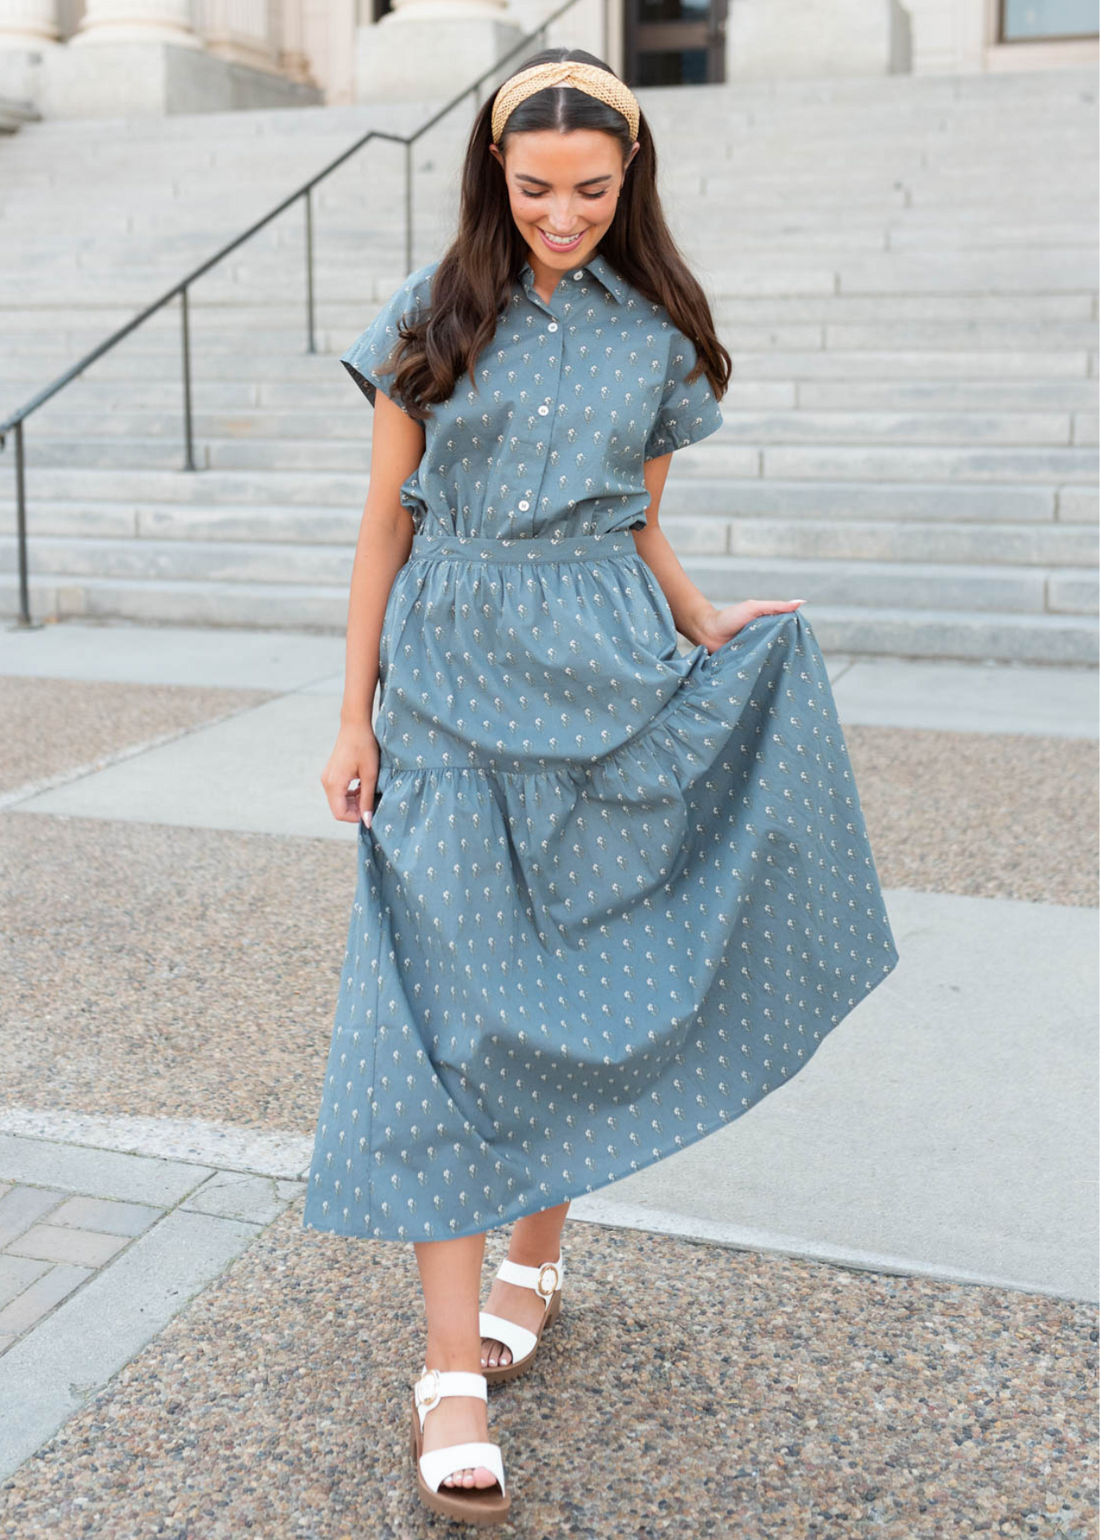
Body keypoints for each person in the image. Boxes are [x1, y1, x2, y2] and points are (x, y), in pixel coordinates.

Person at [303, 47, 900, 1525]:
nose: (561, 212)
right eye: (533, 188)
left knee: (578, 980)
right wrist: (352, 714)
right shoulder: (428, 318)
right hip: (445, 684)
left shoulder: (659, 338)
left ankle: (535, 1263)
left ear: (628, 181)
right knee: (439, 1011)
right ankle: (447, 1374)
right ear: (491, 180)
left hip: (606, 674)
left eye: (589, 188)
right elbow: (382, 529)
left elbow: (638, 518)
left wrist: (704, 621)